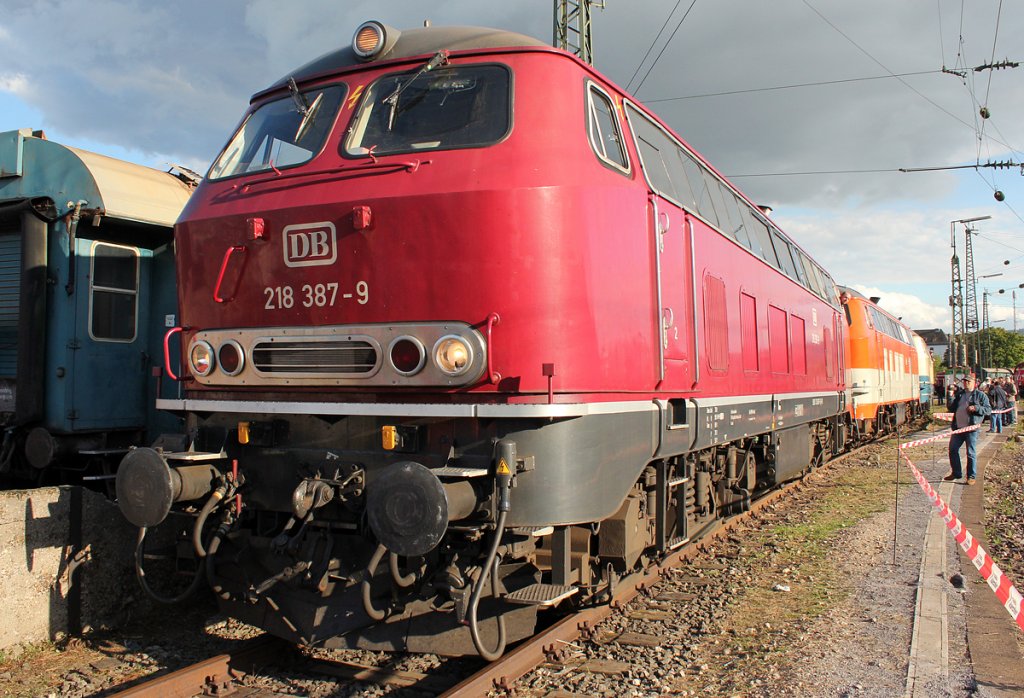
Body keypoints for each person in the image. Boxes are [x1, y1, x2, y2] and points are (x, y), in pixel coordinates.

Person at [946, 375, 991, 485]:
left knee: (970, 452)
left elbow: (988, 409)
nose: (966, 383)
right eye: (965, 381)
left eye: (968, 382)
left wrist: (976, 408)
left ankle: (971, 476)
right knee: (952, 449)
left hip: (971, 429)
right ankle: (956, 473)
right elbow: (951, 408)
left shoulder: (980, 395)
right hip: (958, 428)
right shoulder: (960, 394)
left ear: (974, 383)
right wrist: (950, 395)